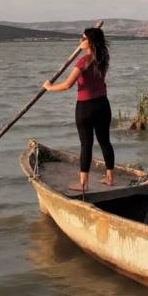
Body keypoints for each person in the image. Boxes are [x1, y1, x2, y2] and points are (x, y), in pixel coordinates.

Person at [43, 27, 114, 191]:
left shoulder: (83, 61)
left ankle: (83, 184)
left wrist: (49, 87)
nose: (79, 41)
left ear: (90, 41)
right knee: (105, 142)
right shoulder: (104, 57)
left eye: (82, 38)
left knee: (86, 145)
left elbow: (67, 85)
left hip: (86, 107)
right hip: (103, 105)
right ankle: (109, 178)